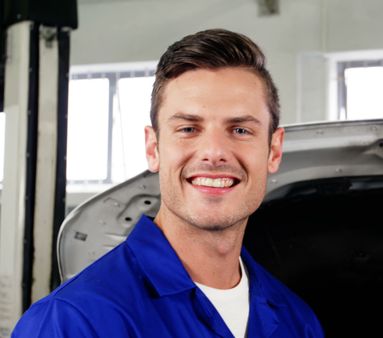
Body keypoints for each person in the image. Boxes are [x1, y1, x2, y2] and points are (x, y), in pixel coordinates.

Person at [12, 29, 324, 338]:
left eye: (240, 130)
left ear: (273, 150)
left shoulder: (296, 320)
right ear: (153, 148)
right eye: (188, 129)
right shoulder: (73, 321)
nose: (214, 153)